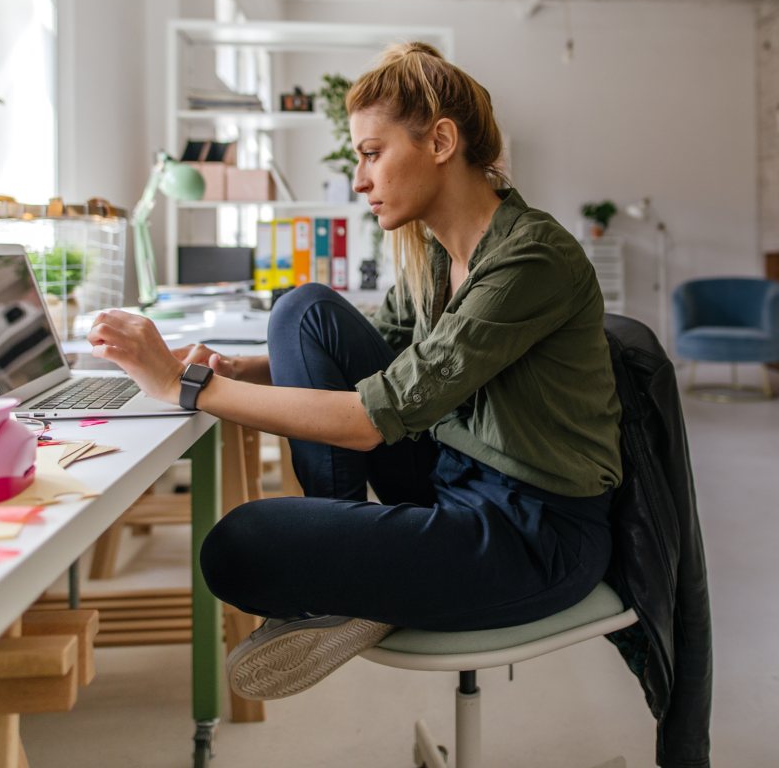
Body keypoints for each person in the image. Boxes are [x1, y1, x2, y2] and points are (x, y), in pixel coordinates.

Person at [87, 42, 622, 700]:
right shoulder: (433, 253)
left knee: (239, 547)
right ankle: (351, 583)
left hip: (534, 534)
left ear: (442, 142)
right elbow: (390, 359)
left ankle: (353, 579)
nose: (360, 179)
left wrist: (185, 386)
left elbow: (375, 416)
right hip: (449, 477)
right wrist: (242, 369)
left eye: (371, 153)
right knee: (300, 310)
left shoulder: (531, 257)